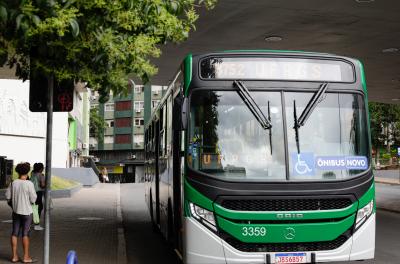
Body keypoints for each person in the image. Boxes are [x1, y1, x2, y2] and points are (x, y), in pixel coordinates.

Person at [5, 162, 37, 263]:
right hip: (27, 213)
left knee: (14, 233)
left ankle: (14, 256)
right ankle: (26, 257)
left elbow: (7, 196)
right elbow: (33, 199)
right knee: (25, 234)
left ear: (18, 172)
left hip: (16, 212)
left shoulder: (13, 183)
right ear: (27, 172)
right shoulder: (29, 184)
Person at [30, 163, 45, 231]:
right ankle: (36, 224)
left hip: (32, 192)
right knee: (38, 208)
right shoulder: (41, 175)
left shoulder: (32, 173)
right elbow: (42, 185)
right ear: (41, 169)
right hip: (38, 193)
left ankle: (32, 223)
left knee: (34, 207)